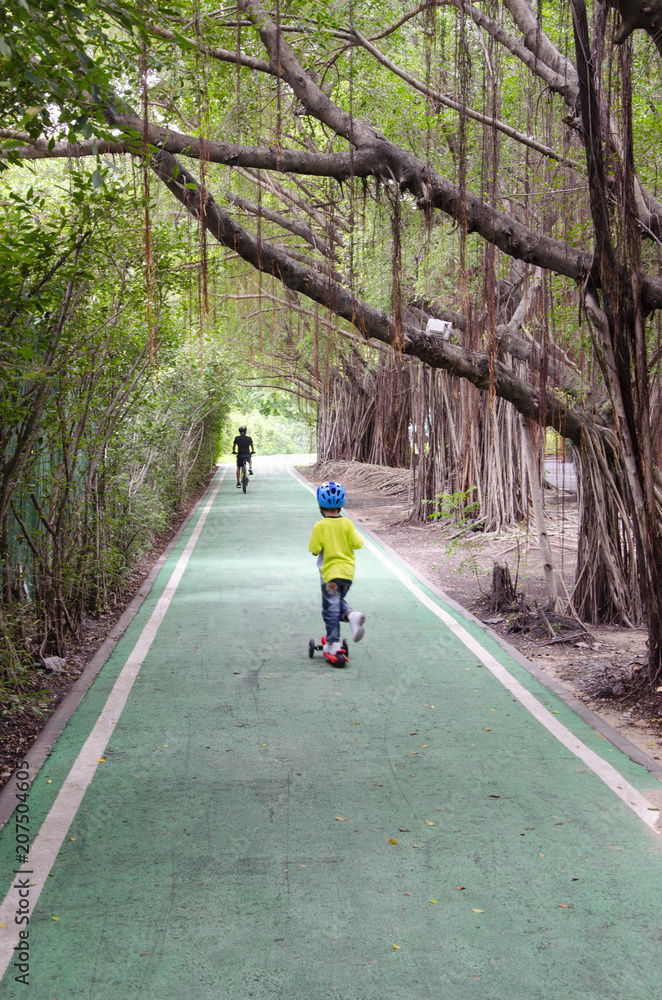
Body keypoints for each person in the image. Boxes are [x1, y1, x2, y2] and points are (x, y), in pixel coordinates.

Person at [308, 480, 366, 656]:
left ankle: (333, 642)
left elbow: (314, 550)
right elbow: (358, 543)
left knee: (330, 608)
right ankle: (350, 615)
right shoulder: (347, 524)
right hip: (347, 574)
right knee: (337, 602)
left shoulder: (320, 526)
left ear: (320, 504)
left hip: (330, 574)